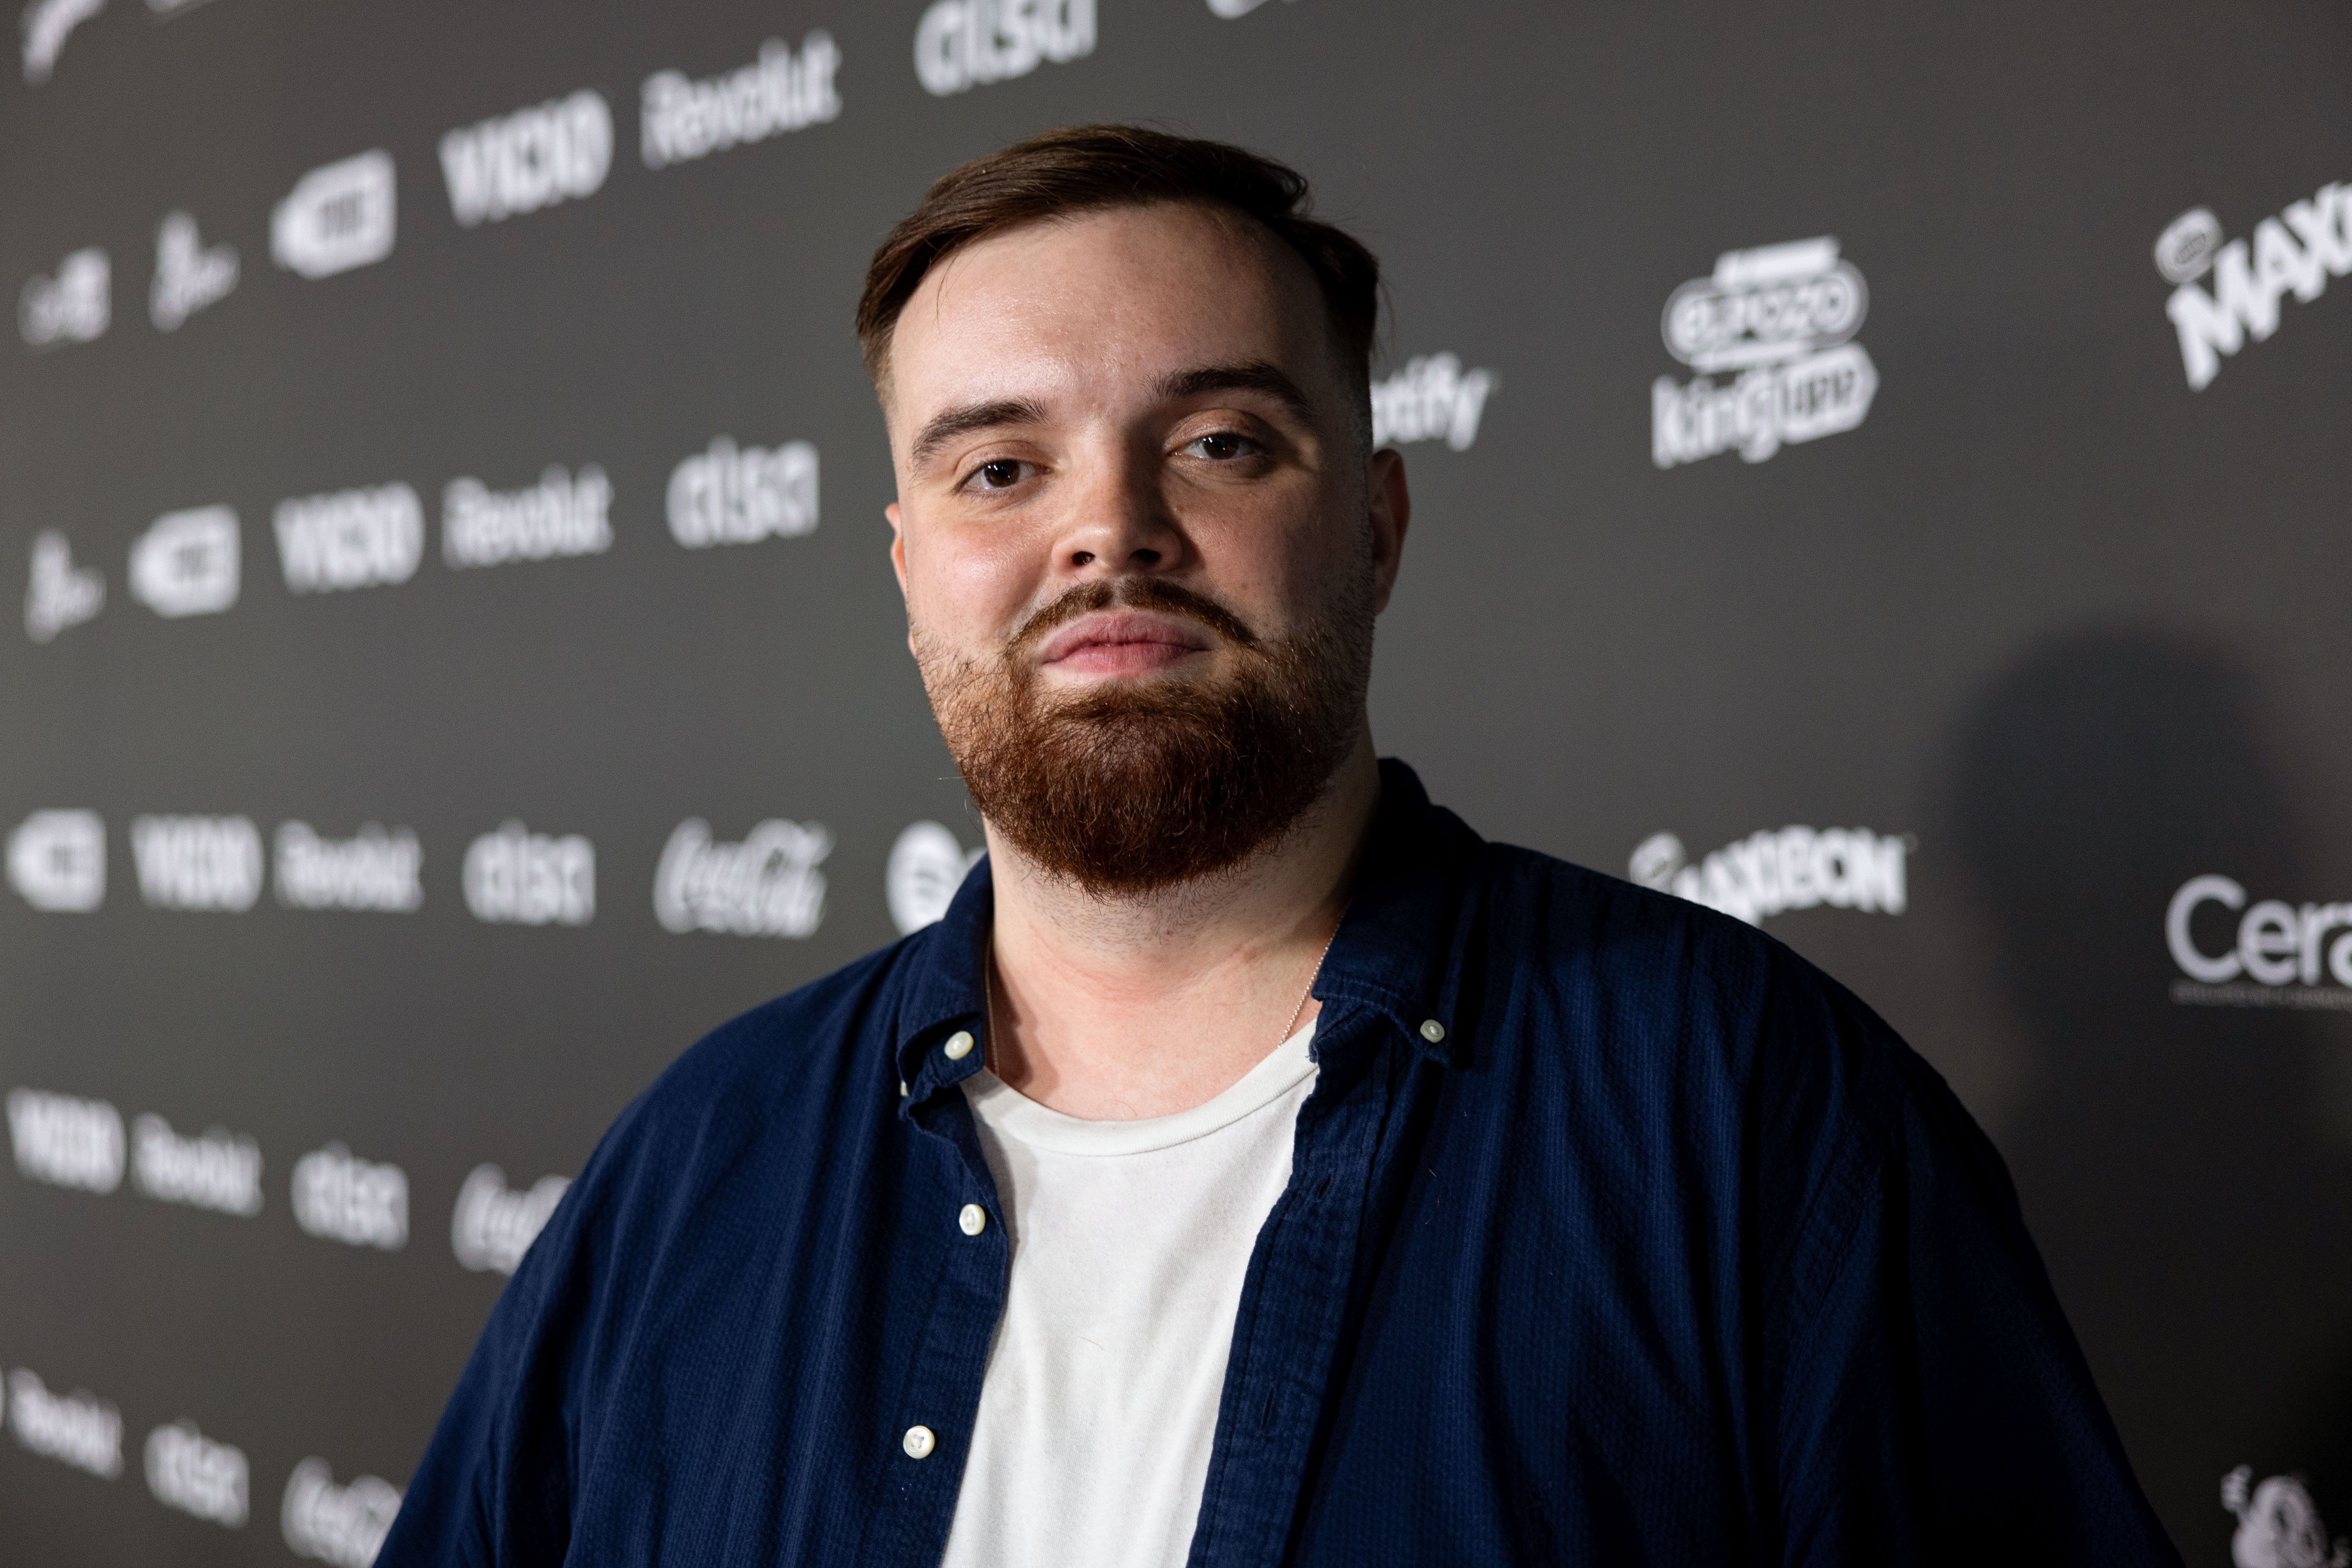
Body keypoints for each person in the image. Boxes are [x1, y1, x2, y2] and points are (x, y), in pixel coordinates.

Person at [379, 126, 2181, 1567]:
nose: (1111, 532)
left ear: (1375, 526)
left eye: (1221, 440)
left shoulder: (1754, 1117)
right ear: (909, 569)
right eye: (997, 469)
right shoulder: (696, 1166)